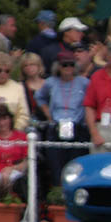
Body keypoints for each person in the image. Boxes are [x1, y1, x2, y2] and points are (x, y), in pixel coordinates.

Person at [37, 50, 91, 187]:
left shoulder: (84, 82)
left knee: (76, 166)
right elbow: (39, 97)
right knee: (56, 166)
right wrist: (47, 113)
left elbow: (92, 100)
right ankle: (57, 196)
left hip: (77, 127)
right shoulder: (50, 82)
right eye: (64, 65)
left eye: (71, 65)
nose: (68, 68)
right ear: (58, 67)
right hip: (56, 127)